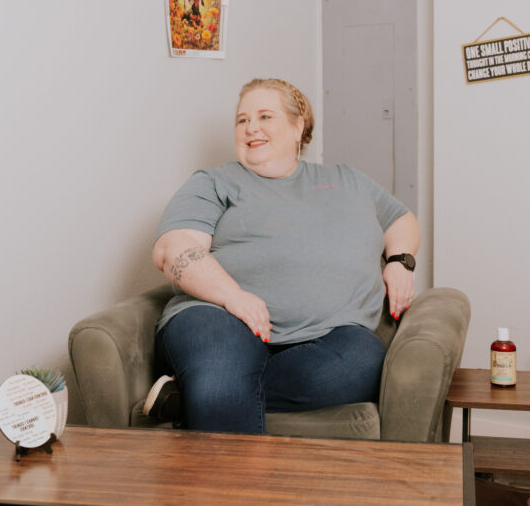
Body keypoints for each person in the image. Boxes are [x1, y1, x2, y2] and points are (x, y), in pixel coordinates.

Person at [143, 78, 420, 434]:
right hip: (221, 317)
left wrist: (400, 261)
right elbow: (174, 248)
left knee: (361, 363)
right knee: (221, 373)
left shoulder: (348, 180)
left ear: (297, 126)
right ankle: (234, 476)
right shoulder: (215, 182)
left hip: (331, 335)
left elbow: (402, 220)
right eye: (242, 120)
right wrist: (234, 297)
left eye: (264, 116)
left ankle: (186, 398)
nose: (251, 128)